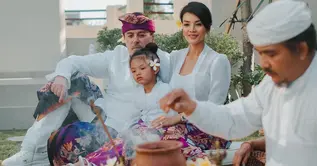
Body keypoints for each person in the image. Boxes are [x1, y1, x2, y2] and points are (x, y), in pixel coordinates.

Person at [159, 1, 317, 166]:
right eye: (260, 54)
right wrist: (192, 108)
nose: (263, 64)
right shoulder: (273, 84)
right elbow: (234, 119)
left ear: (302, 50)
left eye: (271, 54)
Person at [2, 12, 170, 166]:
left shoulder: (165, 61)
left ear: (152, 37)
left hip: (135, 130)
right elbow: (73, 61)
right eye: (130, 35)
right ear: (124, 38)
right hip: (104, 121)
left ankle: (47, 159)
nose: (136, 40)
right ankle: (31, 153)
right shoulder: (115, 56)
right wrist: (61, 78)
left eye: (142, 35)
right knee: (71, 79)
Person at [48, 43, 230, 166]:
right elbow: (135, 115)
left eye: (142, 69)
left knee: (140, 141)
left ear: (155, 68)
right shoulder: (134, 88)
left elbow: (176, 114)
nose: (138, 74)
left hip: (167, 129)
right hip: (137, 128)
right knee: (123, 139)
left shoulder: (166, 88)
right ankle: (90, 162)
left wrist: (166, 122)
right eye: (134, 71)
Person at [151, 1, 231, 148]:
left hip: (208, 129)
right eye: (186, 24)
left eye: (198, 24)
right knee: (139, 136)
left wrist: (178, 119)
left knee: (167, 143)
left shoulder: (218, 61)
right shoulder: (175, 57)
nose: (191, 30)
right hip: (175, 126)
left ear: (207, 27)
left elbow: (213, 106)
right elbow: (161, 85)